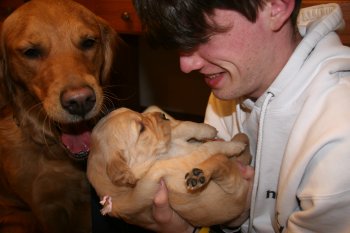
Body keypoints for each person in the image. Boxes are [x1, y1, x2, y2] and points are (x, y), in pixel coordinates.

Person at [132, 0, 350, 232]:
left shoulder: (340, 133)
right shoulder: (231, 86)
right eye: (182, 42)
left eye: (200, 35)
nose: (186, 65)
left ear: (275, 5)